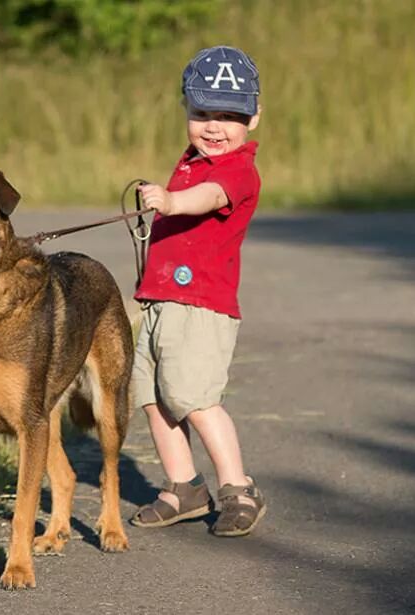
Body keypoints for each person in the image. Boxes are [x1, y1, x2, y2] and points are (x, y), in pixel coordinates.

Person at [129, 45, 266, 536]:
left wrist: (170, 200)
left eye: (229, 115)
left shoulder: (236, 169)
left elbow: (208, 199)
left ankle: (237, 487)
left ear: (253, 118)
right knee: (153, 396)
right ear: (186, 109)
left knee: (194, 396)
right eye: (202, 112)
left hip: (202, 306)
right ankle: (184, 486)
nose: (214, 126)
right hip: (163, 303)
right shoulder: (192, 160)